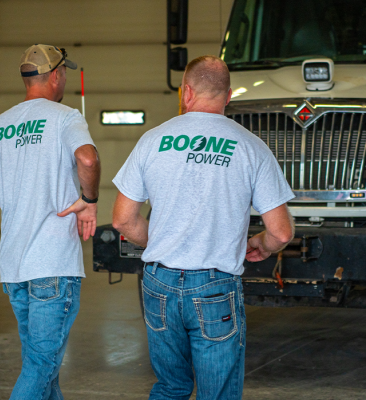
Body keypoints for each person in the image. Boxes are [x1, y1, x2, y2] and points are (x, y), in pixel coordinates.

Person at [111, 55, 295, 400]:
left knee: (171, 387)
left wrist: (168, 240)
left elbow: (123, 219)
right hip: (214, 287)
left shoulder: (152, 141)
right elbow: (281, 232)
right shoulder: (251, 147)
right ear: (228, 97)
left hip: (158, 283)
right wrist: (261, 244)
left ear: (186, 92)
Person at [0, 44, 101, 400]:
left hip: (14, 269)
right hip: (52, 266)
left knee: (43, 366)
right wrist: (89, 202)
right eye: (65, 73)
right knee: (42, 366)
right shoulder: (64, 117)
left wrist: (17, 189)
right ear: (55, 75)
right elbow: (87, 160)